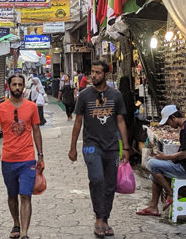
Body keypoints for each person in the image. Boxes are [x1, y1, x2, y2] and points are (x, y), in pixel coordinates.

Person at [69, 61, 130, 238]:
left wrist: (125, 147)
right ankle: (98, 217)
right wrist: (73, 147)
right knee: (96, 179)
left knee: (110, 184)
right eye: (92, 72)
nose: (93, 75)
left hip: (111, 147)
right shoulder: (84, 96)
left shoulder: (116, 95)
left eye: (97, 72)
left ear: (106, 75)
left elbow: (120, 121)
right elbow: (78, 122)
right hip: (91, 146)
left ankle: (105, 219)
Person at [0, 74, 44, 239]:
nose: (18, 87)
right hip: (8, 160)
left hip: (27, 159)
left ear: (23, 86)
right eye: (14, 85)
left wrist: (40, 155)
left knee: (25, 195)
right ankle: (16, 223)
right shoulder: (0, 108)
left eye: (20, 84)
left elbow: (36, 130)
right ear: (9, 86)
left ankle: (25, 233)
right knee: (12, 195)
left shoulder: (32, 107)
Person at [136, 104, 186, 217]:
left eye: (168, 122)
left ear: (173, 117)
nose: (169, 125)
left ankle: (172, 194)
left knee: (151, 164)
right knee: (154, 174)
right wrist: (167, 157)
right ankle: (153, 207)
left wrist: (166, 157)